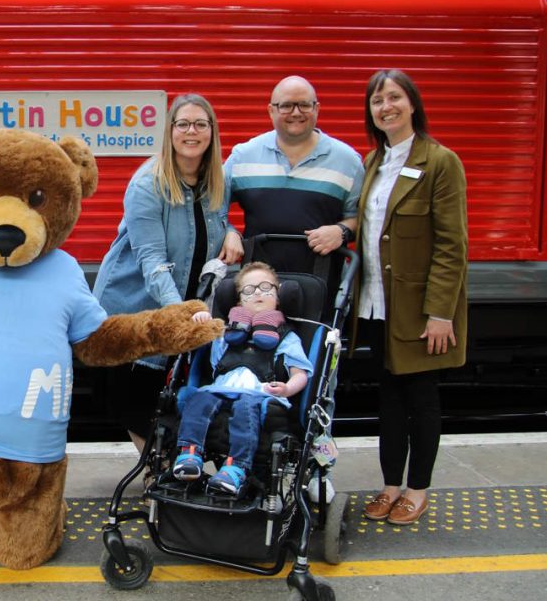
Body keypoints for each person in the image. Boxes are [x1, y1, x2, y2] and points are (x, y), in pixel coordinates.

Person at [93, 93, 242, 453]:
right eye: (183, 124)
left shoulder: (216, 183)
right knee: (136, 403)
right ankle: (154, 478)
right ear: (170, 131)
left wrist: (234, 231)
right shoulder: (148, 184)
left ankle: (161, 474)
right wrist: (181, 314)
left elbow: (206, 228)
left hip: (181, 308)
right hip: (134, 308)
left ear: (212, 132)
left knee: (171, 399)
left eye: (200, 124)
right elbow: (153, 261)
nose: (192, 131)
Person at [355, 69, 467, 527]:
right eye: (377, 101)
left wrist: (440, 312)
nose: (386, 107)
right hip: (377, 305)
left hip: (420, 309)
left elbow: (452, 244)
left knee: (421, 398)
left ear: (413, 104)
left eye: (394, 97)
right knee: (388, 398)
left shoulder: (441, 161)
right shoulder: (372, 162)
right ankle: (388, 486)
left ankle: (416, 489)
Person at [171, 262, 312, 496]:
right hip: (221, 388)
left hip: (259, 392)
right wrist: (202, 318)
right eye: (249, 289)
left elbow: (300, 374)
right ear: (238, 302)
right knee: (198, 397)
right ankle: (190, 452)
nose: (257, 292)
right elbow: (197, 341)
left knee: (246, 409)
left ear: (278, 298)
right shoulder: (225, 334)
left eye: (266, 288)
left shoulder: (287, 337)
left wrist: (287, 388)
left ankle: (235, 468)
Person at [223, 76, 365, 274]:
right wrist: (229, 231)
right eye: (286, 105)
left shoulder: (348, 161)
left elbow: (362, 217)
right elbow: (210, 207)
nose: (296, 113)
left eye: (304, 105)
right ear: (271, 110)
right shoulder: (243, 156)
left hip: (321, 288)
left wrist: (341, 231)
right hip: (255, 291)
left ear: (317, 108)